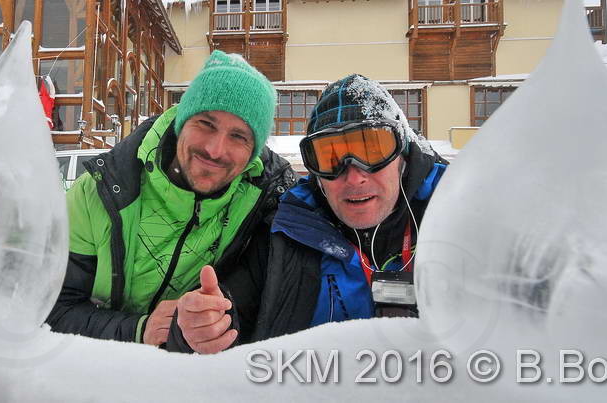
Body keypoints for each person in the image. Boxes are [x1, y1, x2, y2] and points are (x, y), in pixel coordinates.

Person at [168, 74, 448, 353]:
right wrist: (202, 325)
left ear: (403, 154)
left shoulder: (460, 217)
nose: (353, 177)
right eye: (330, 158)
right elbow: (231, 312)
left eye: (373, 150)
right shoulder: (287, 235)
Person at [46, 51, 296, 345]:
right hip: (95, 372)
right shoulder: (97, 194)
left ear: (253, 152)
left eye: (239, 136)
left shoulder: (263, 204)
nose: (216, 150)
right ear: (181, 122)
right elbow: (49, 309)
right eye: (206, 123)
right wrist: (139, 330)